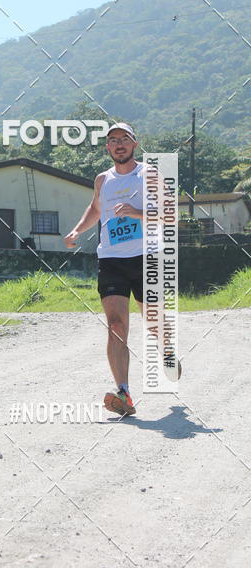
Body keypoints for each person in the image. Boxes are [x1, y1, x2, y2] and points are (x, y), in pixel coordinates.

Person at [64, 122, 180, 416]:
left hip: (146, 256)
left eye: (124, 139)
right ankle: (124, 393)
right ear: (107, 147)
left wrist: (136, 212)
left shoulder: (149, 174)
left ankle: (166, 349)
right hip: (112, 259)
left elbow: (171, 214)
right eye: (113, 140)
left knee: (153, 320)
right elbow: (95, 209)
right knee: (116, 326)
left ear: (134, 144)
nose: (118, 144)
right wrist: (77, 231)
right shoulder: (103, 180)